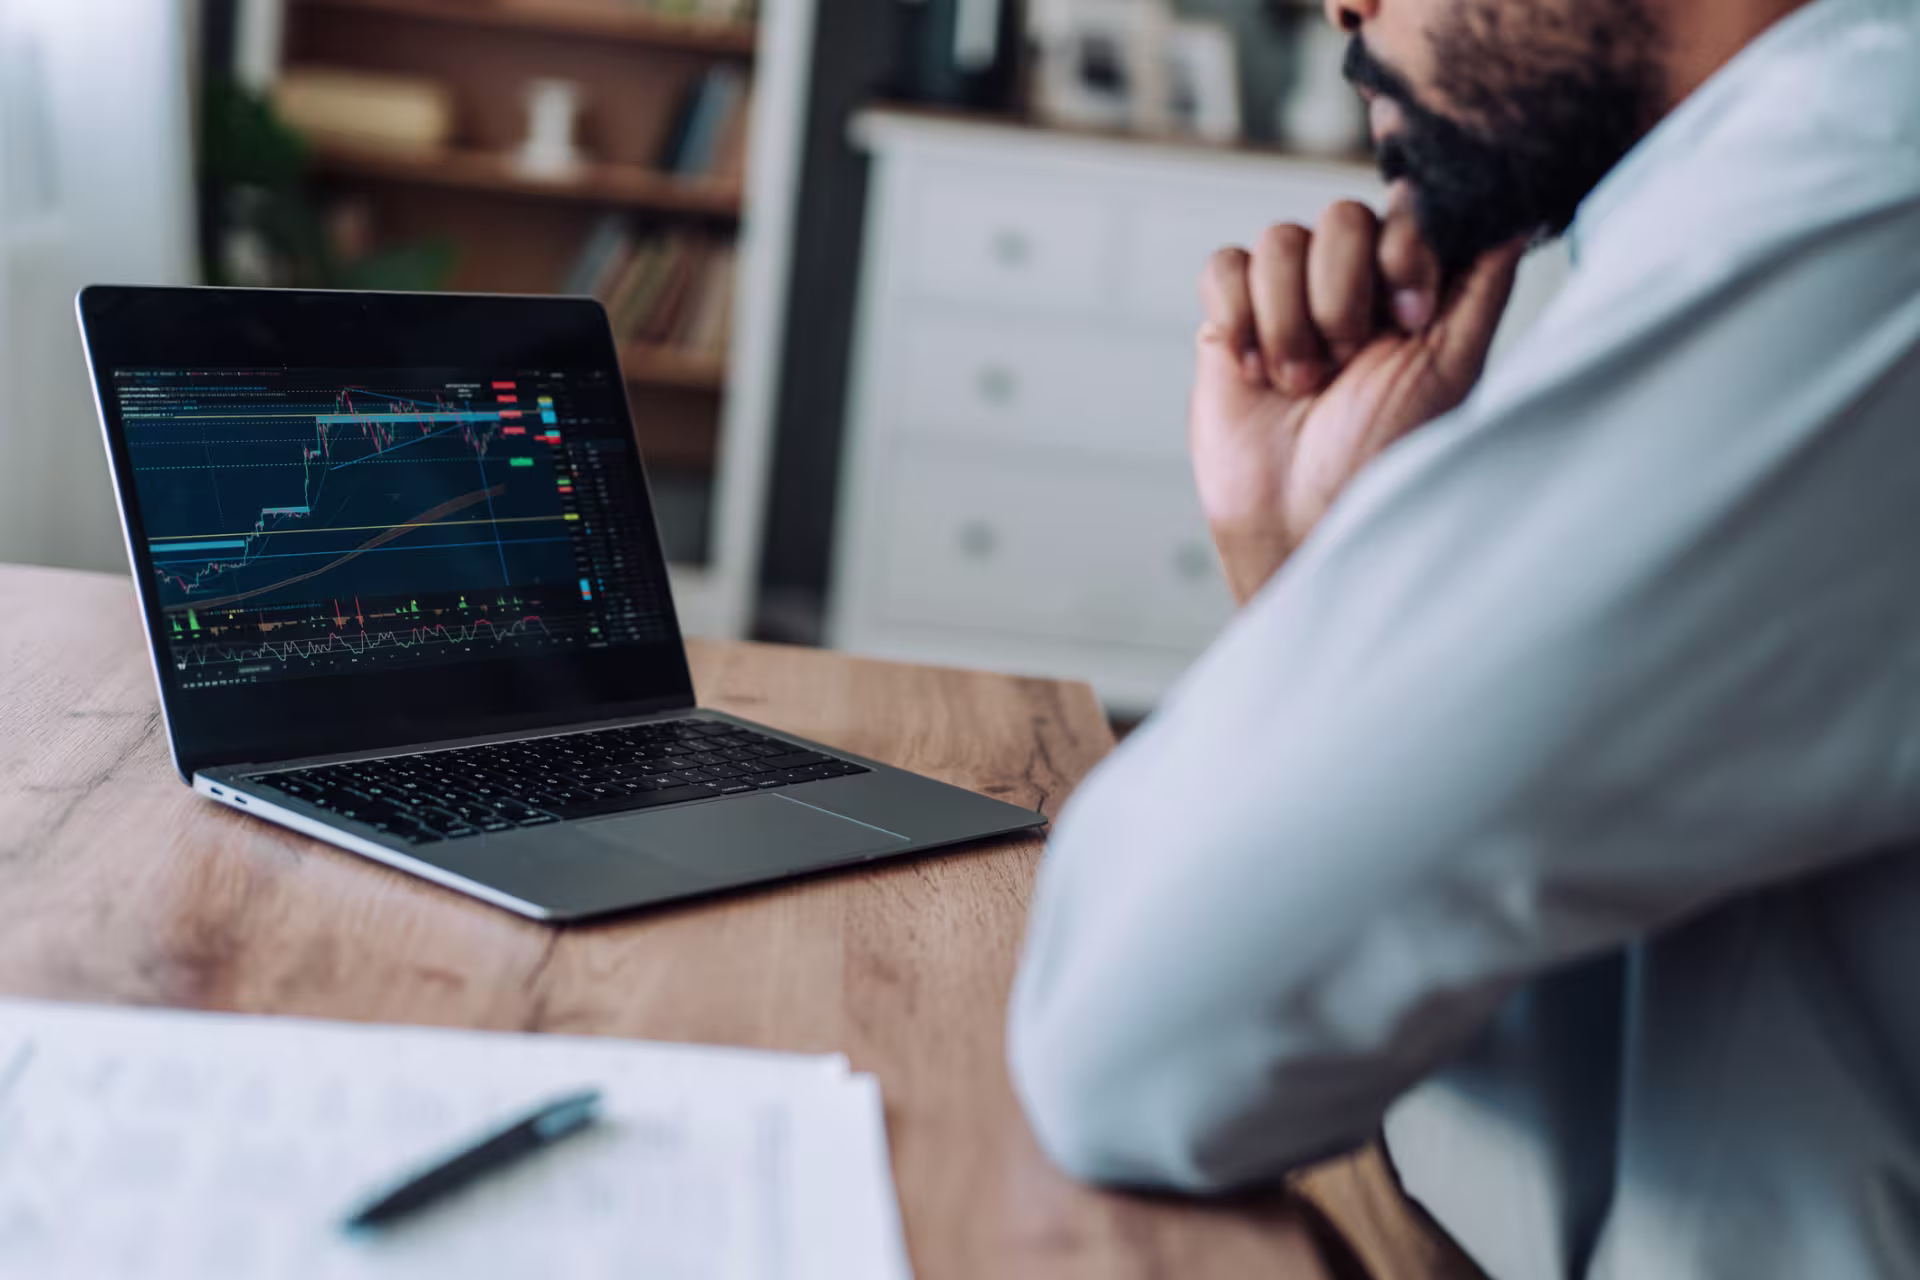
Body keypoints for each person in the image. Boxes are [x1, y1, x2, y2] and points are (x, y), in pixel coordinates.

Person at [1005, 0, 1920, 1275]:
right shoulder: (1736, 209)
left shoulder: (1869, 191)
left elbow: (1129, 1029)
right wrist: (1315, 561)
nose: (1342, 5)